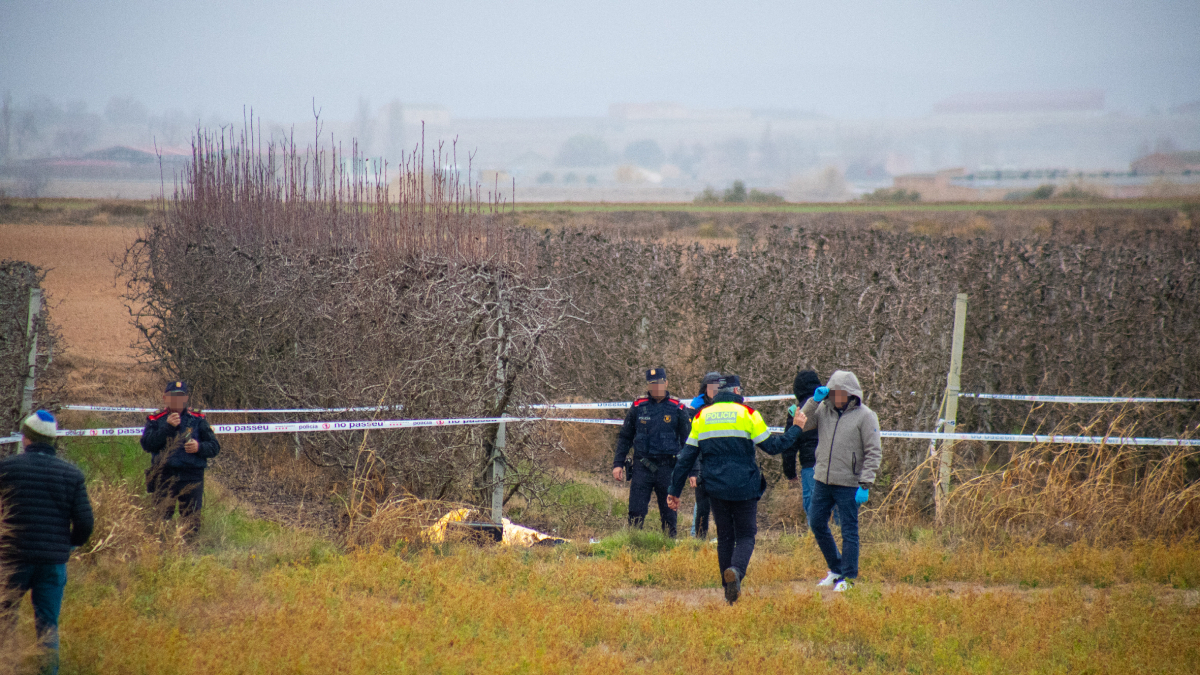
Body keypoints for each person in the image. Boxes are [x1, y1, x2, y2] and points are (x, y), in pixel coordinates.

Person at [667, 375, 804, 604]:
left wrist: (674, 490)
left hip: (716, 488)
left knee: (725, 538)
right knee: (746, 535)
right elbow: (772, 447)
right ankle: (737, 572)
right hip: (745, 487)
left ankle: (728, 592)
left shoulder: (702, 416)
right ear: (738, 390)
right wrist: (796, 429)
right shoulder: (748, 414)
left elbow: (686, 458)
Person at [0, 410, 94, 675]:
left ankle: (7, 666)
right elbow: (85, 523)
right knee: (47, 624)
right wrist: (69, 545)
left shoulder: (7, 468)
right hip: (52, 562)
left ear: (26, 438)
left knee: (5, 618)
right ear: (53, 441)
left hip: (11, 557)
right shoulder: (71, 474)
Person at [795, 370, 882, 592]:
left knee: (849, 530)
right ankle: (836, 569)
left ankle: (849, 577)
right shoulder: (824, 410)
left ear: (850, 394)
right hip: (823, 480)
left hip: (849, 483)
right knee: (816, 522)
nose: (834, 397)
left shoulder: (866, 416)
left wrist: (865, 483)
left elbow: (874, 452)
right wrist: (813, 401)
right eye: (831, 393)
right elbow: (802, 423)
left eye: (838, 393)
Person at [612, 367, 691, 537]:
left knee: (669, 514)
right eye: (652, 384)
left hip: (668, 467)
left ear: (666, 383)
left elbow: (688, 443)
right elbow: (625, 436)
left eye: (659, 383)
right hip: (642, 466)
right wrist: (618, 463)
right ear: (648, 385)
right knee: (636, 512)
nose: (656, 387)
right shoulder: (638, 406)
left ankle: (669, 548)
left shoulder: (677, 408)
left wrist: (693, 471)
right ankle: (633, 546)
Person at [140, 381, 220, 541]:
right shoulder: (156, 419)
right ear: (165, 398)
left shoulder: (197, 419)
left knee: (191, 524)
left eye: (180, 396)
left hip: (191, 476)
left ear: (186, 398)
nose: (177, 400)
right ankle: (160, 557)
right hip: (164, 476)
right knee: (160, 522)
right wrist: (167, 428)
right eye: (173, 397)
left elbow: (215, 447)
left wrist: (199, 447)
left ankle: (189, 557)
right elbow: (147, 444)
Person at [782, 370, 822, 523]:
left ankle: (813, 542)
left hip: (809, 466)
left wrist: (790, 472)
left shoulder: (796, 412)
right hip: (834, 464)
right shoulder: (829, 406)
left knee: (813, 510)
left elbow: (789, 445)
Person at [686, 371, 722, 539]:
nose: (715, 390)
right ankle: (697, 534)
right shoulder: (696, 405)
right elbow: (689, 433)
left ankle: (723, 532)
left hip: (721, 454)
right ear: (705, 388)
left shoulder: (724, 404)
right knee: (702, 500)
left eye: (718, 387)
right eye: (711, 387)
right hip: (701, 455)